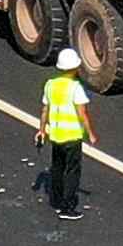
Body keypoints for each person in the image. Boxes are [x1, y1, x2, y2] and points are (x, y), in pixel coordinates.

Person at [36, 60, 89, 214]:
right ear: (73, 68)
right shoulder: (75, 88)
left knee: (57, 168)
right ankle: (68, 208)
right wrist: (91, 133)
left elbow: (45, 110)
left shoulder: (50, 85)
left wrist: (41, 130)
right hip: (72, 136)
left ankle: (56, 201)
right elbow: (82, 113)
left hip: (56, 135)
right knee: (72, 171)